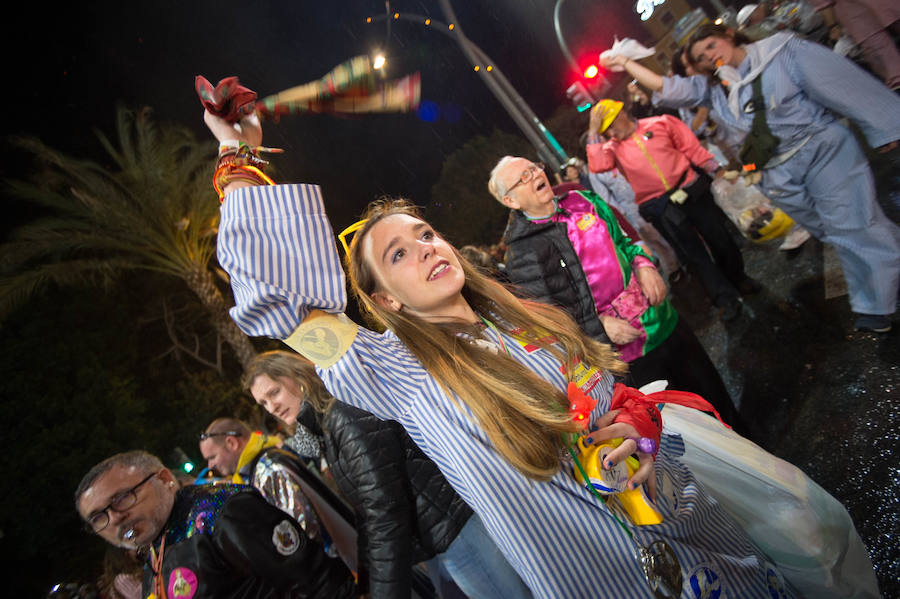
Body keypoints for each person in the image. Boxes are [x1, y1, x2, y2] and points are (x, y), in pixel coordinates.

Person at [206, 105, 796, 598]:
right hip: (604, 578)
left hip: (690, 537)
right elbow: (285, 306)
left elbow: (615, 396)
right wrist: (239, 159)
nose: (426, 248)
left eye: (425, 235)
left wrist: (634, 430)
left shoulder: (528, 319)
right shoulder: (397, 373)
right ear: (386, 300)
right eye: (398, 255)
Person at [605, 23, 900, 332]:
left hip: (822, 153)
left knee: (851, 225)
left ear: (729, 35)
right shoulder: (713, 87)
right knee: (834, 228)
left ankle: (875, 306)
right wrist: (625, 63)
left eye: (710, 46)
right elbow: (668, 87)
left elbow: (841, 82)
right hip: (778, 173)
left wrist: (883, 125)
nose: (709, 56)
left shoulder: (783, 52)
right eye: (701, 57)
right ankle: (887, 260)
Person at [243, 350, 530, 599]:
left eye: (274, 392)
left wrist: (382, 591)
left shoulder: (342, 415)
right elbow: (369, 512)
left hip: (452, 531)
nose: (273, 407)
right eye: (264, 404)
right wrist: (367, 580)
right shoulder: (325, 427)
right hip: (434, 539)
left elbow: (384, 510)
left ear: (298, 375)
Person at [491, 155, 745, 432]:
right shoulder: (522, 253)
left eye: (533, 168)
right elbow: (549, 319)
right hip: (626, 354)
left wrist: (644, 264)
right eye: (523, 177)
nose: (535, 174)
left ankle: (752, 449)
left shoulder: (582, 201)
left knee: (713, 396)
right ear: (511, 201)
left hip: (660, 318)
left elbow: (625, 241)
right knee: (680, 426)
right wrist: (598, 324)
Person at [74, 450, 355, 599]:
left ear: (164, 479)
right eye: (99, 518)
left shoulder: (224, 512)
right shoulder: (155, 552)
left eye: (123, 498)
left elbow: (324, 585)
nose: (115, 518)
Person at [585, 98, 760, 322]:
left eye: (609, 126)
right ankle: (724, 299)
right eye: (604, 130)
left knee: (721, 238)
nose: (609, 133)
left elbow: (692, 149)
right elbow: (597, 165)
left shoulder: (661, 123)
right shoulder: (612, 149)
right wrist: (593, 130)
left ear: (621, 114)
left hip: (691, 190)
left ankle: (738, 278)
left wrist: (716, 171)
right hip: (661, 206)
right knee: (694, 255)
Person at [198, 417, 347, 558]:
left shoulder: (268, 469)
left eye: (212, 457)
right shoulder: (255, 471)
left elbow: (305, 531)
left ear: (231, 443)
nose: (211, 465)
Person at [808, 0, 900, 89]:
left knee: (889, 64)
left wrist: (833, 26)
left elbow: (824, 4)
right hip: (888, 6)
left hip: (858, 18)